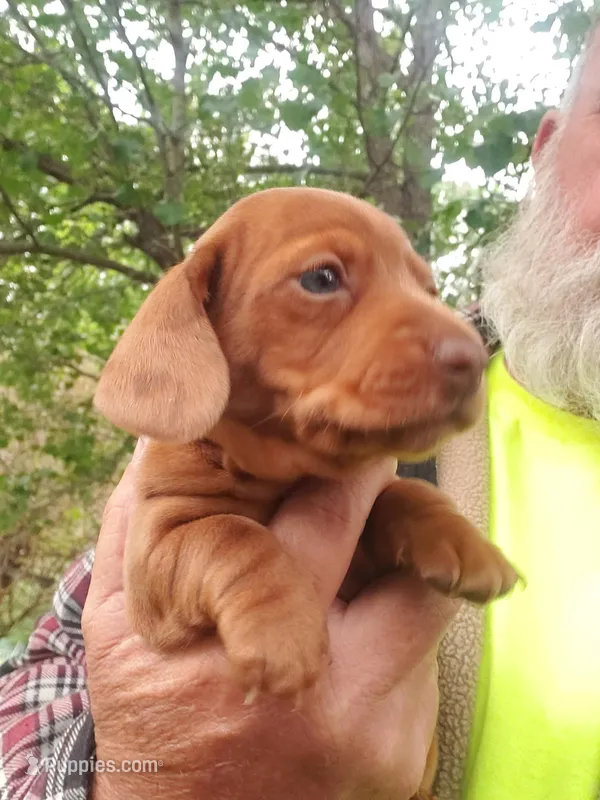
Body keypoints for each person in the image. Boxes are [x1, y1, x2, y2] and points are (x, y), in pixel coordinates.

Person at [1, 21, 600, 800]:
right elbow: (50, 673)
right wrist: (134, 773)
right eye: (322, 280)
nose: (438, 334)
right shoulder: (259, 433)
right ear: (547, 149)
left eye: (420, 290)